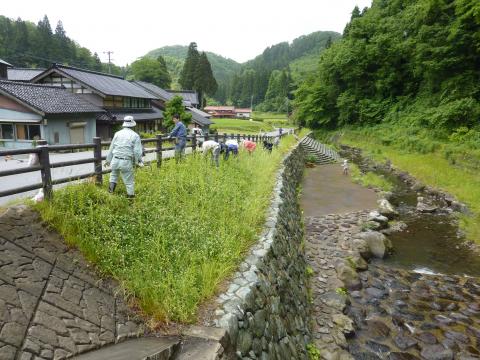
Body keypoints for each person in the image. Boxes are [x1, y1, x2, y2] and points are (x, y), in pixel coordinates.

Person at [105, 116, 144, 198]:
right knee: (129, 182)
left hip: (115, 160)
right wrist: (139, 161)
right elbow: (137, 151)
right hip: (126, 161)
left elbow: (111, 147)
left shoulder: (117, 133)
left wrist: (108, 160)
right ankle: (130, 201)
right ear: (133, 124)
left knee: (113, 177)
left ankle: (110, 195)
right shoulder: (135, 135)